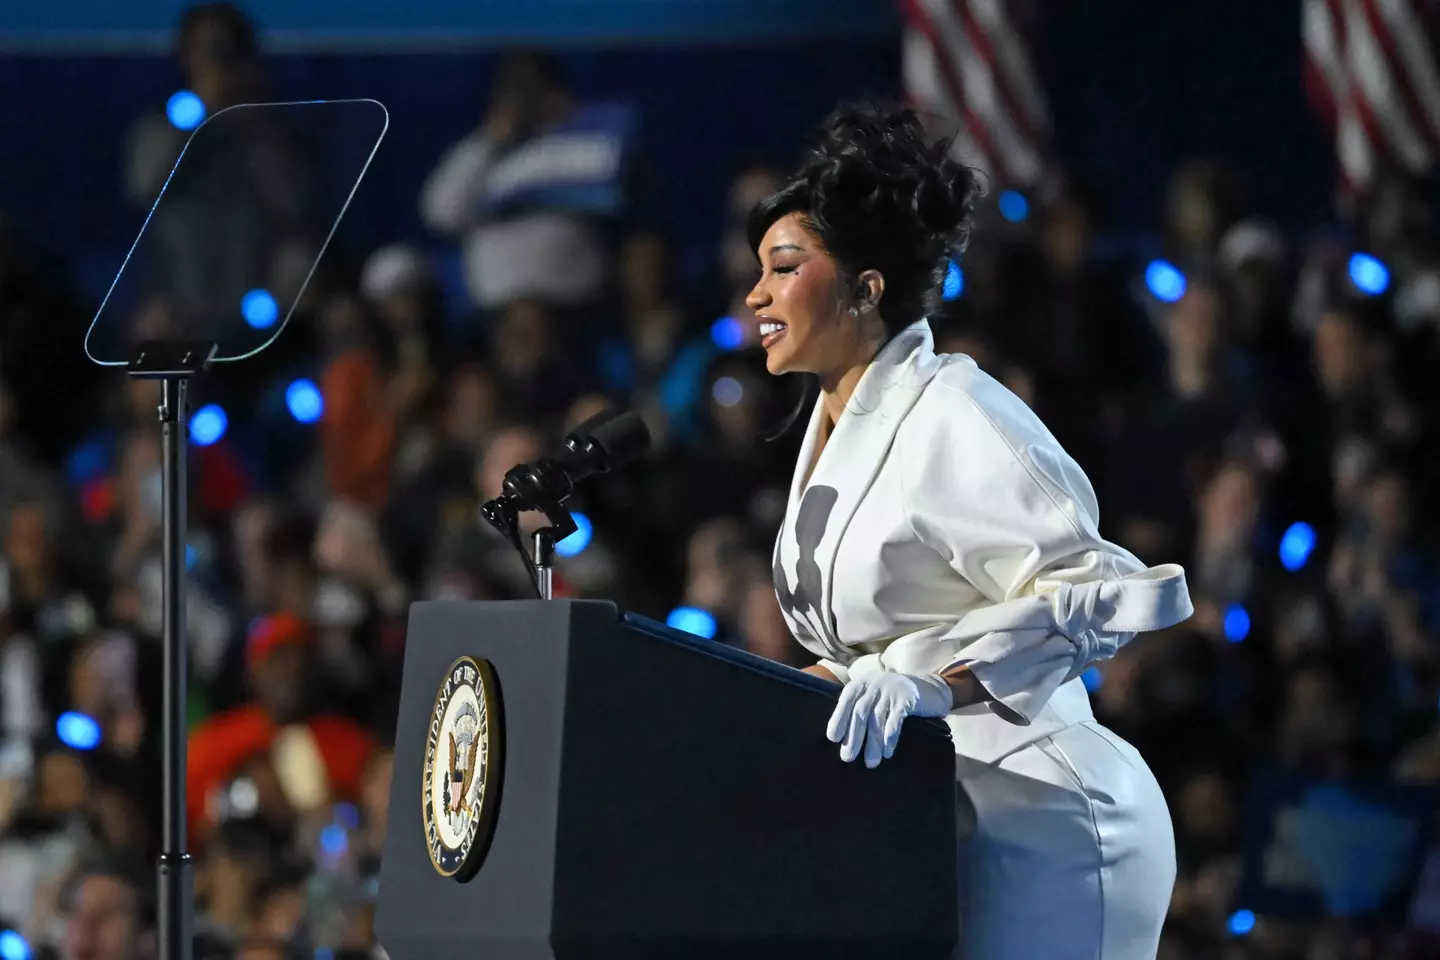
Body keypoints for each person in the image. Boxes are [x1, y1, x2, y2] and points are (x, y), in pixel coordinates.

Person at [749, 104, 1194, 959]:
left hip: (1047, 820)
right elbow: (864, 648)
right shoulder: (832, 430)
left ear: (865, 287)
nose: (755, 295)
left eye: (783, 267)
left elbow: (1098, 592)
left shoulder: (957, 411)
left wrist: (934, 685)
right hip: (927, 819)